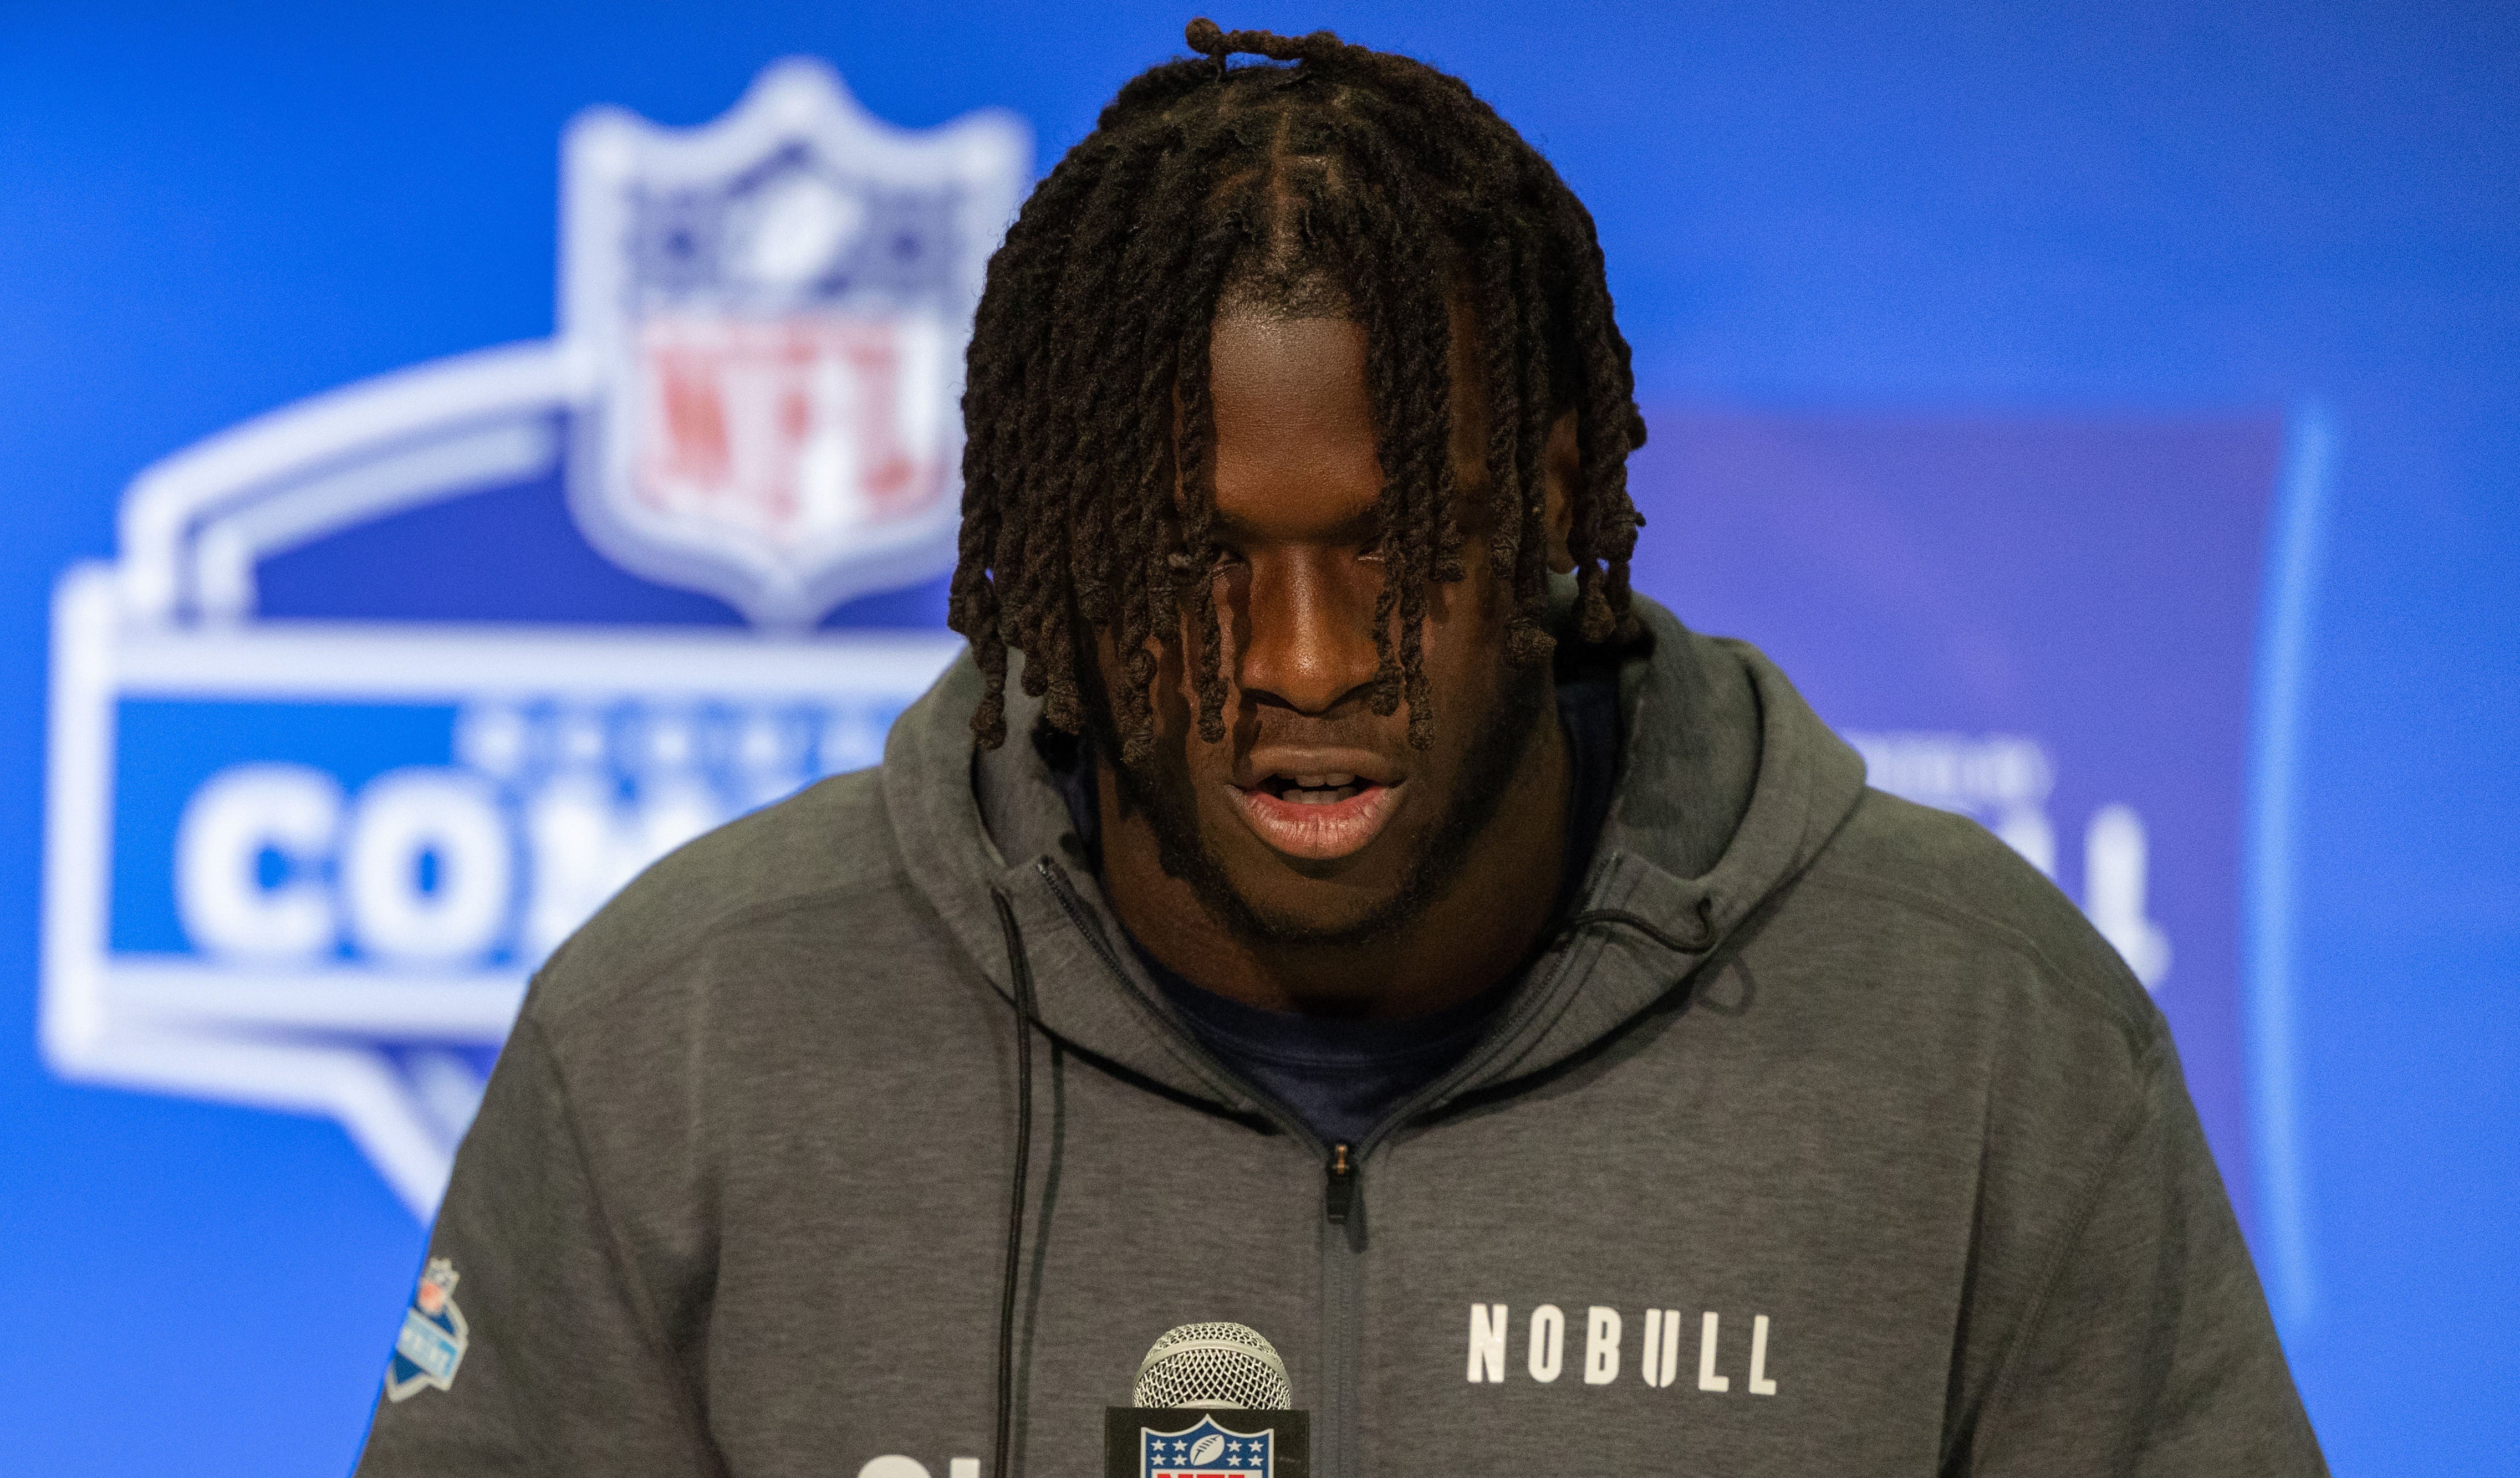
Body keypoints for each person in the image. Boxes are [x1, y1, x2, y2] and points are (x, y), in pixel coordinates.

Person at [356, 21, 2324, 1476]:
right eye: (1195, 560)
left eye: (1396, 541)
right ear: (1053, 561)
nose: (1304, 663)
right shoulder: (683, 1037)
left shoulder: (1976, 1032)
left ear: (1552, 498)